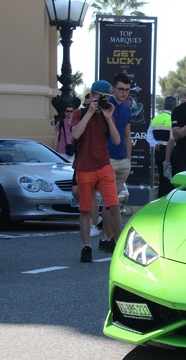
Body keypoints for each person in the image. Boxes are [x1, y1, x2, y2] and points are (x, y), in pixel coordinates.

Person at [70, 80, 122, 263]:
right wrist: (90, 111)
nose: (104, 101)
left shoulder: (107, 114)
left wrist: (108, 117)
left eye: (107, 98)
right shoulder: (80, 113)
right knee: (85, 209)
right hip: (84, 168)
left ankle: (120, 244)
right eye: (101, 97)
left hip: (104, 167)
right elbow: (75, 134)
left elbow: (116, 141)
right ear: (92, 96)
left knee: (114, 206)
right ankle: (86, 246)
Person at [99, 73, 132, 252]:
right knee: (111, 201)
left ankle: (105, 237)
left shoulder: (127, 108)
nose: (124, 92)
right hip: (108, 159)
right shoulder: (106, 105)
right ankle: (110, 237)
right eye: (121, 89)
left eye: (127, 90)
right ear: (113, 89)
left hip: (122, 161)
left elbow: (127, 135)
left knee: (112, 201)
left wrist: (128, 159)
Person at [71, 93, 101, 238]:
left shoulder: (102, 114)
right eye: (89, 98)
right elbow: (75, 134)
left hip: (95, 161)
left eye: (94, 98)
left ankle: (93, 222)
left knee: (92, 195)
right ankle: (90, 216)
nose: (91, 101)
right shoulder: (80, 113)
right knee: (76, 191)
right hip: (80, 159)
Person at [146, 96, 177, 197]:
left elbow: (148, 136)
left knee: (162, 179)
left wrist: (155, 144)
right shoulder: (174, 119)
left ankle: (160, 198)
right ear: (175, 107)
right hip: (172, 153)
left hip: (159, 152)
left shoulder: (156, 119)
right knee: (171, 180)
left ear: (164, 105)